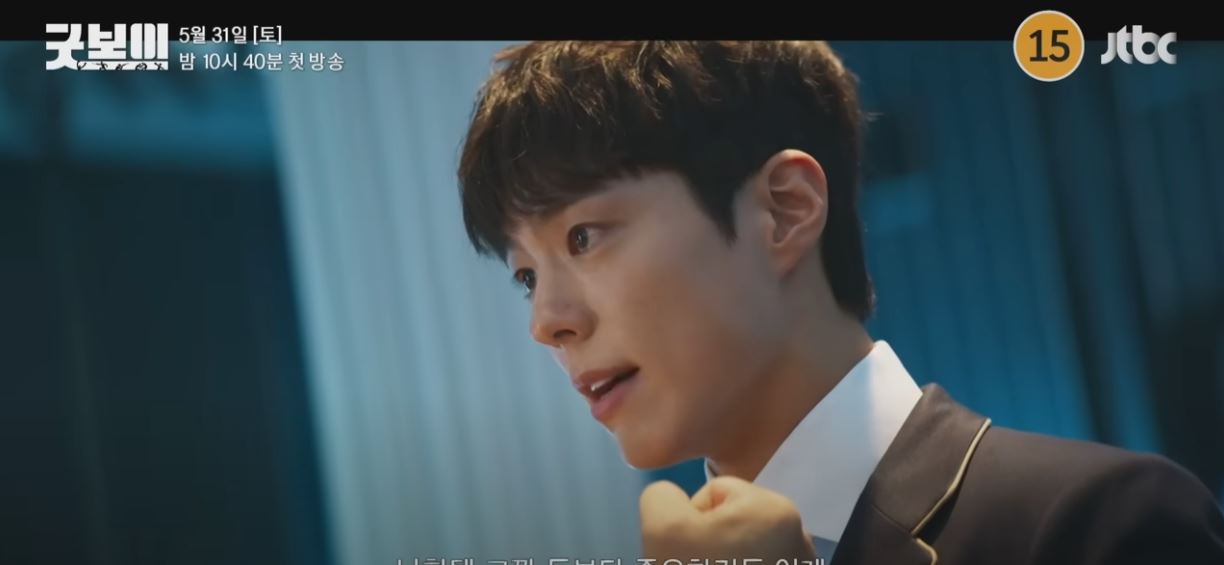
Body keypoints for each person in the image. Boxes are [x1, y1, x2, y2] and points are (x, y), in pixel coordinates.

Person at [454, 41, 1224, 564]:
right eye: (526, 275)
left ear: (783, 211)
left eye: (583, 237)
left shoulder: (1101, 523)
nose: (546, 321)